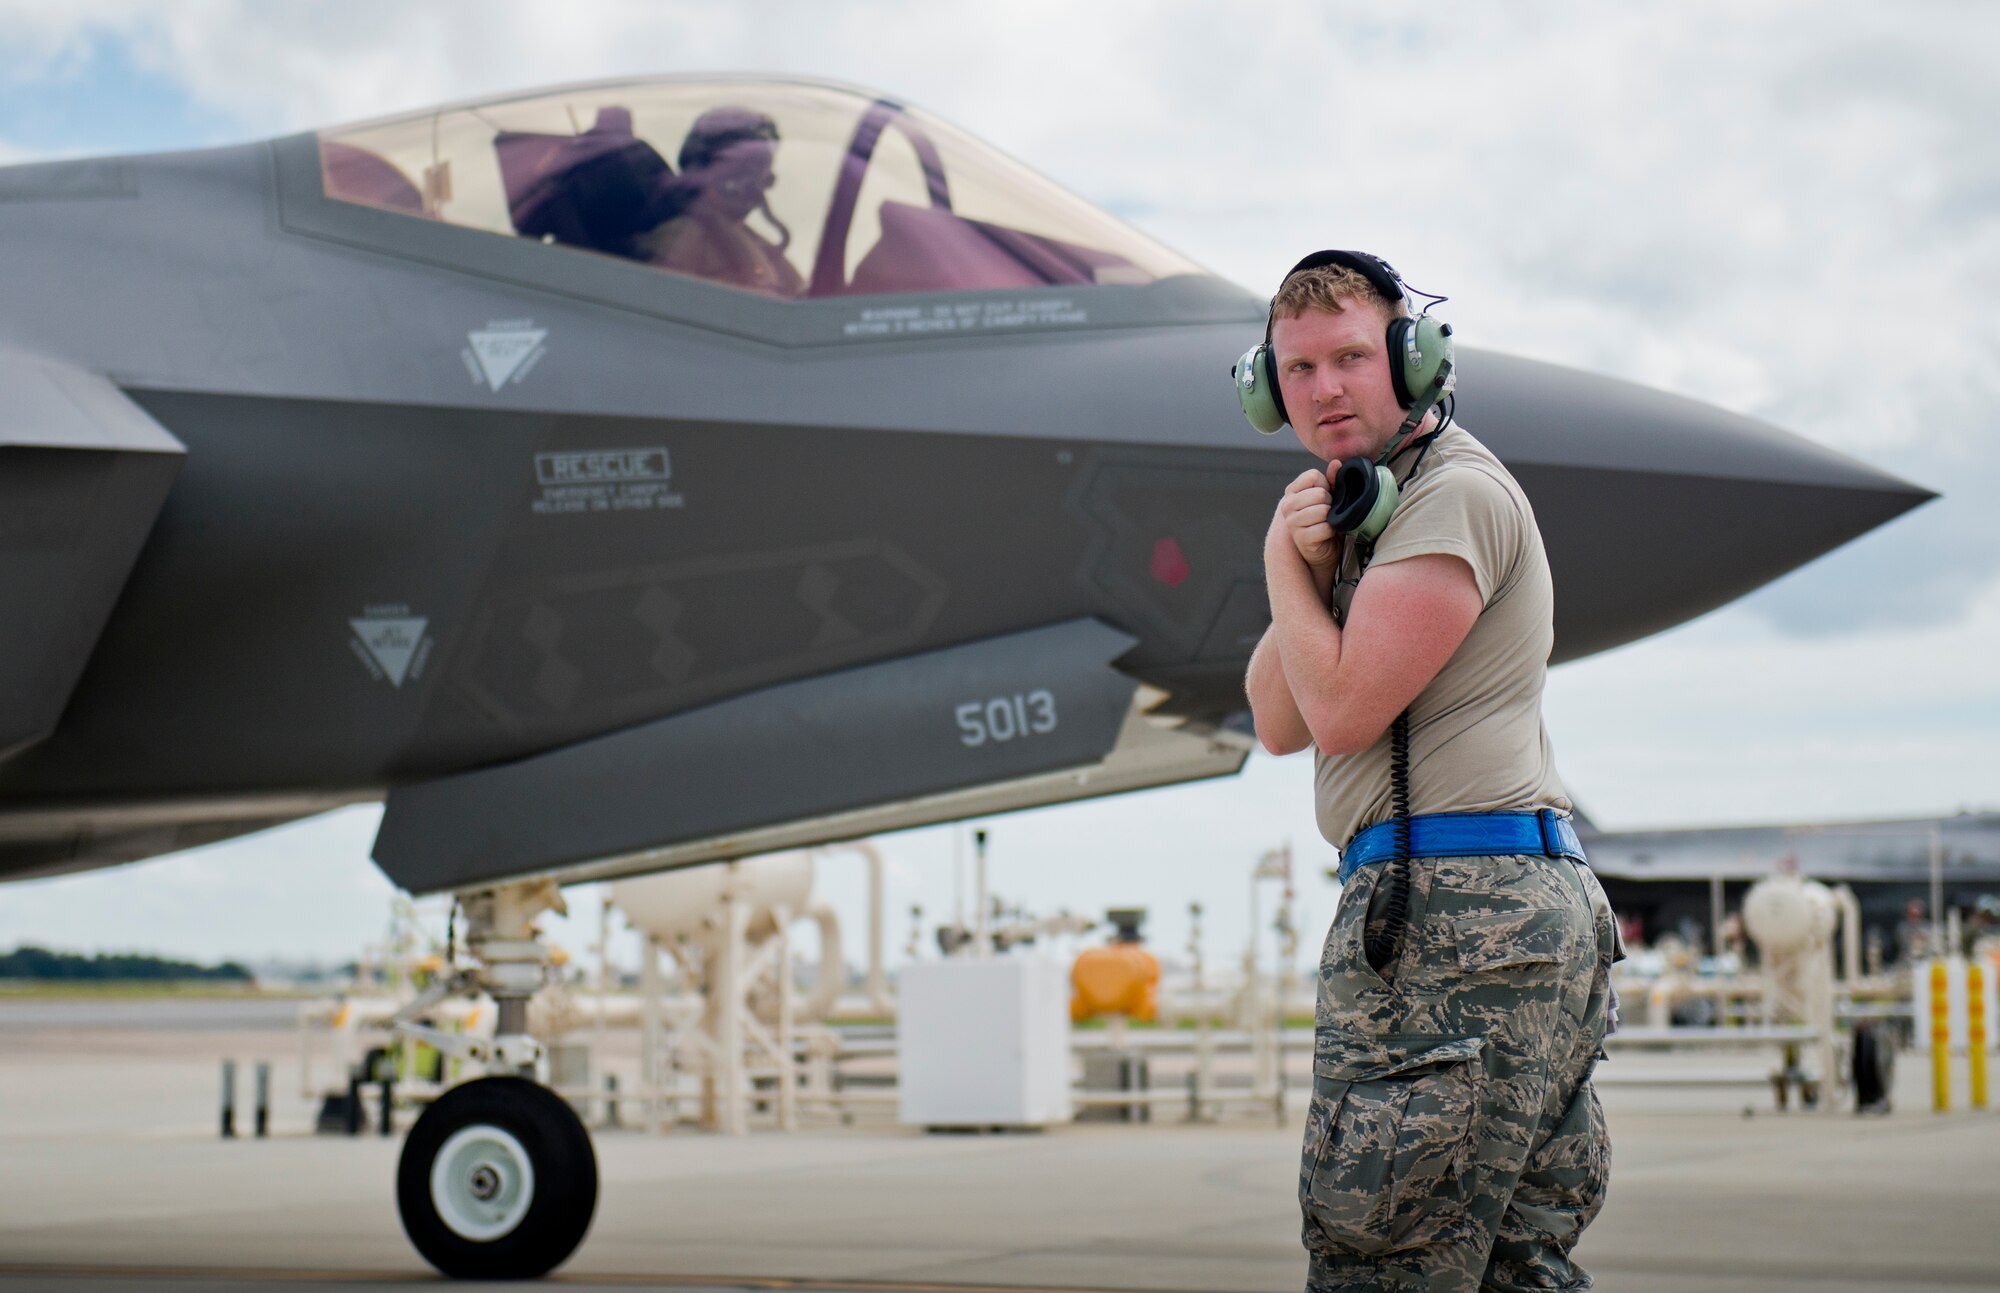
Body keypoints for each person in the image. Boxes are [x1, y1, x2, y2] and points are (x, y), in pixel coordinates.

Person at [1241, 251, 1620, 1292]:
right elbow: (1274, 721)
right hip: (1484, 911)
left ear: (1411, 360)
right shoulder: (1374, 514)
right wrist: (1313, 565)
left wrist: (1280, 563)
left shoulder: (1448, 498)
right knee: (1508, 1271)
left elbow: (1342, 710)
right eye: (1297, 367)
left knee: (1386, 1266)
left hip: (1454, 915)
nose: (1321, 389)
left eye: (1350, 357)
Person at [634, 107, 805, 298]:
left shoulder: (750, 241)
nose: (759, 188)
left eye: (764, 177)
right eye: (746, 174)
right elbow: (657, 303)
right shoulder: (681, 237)